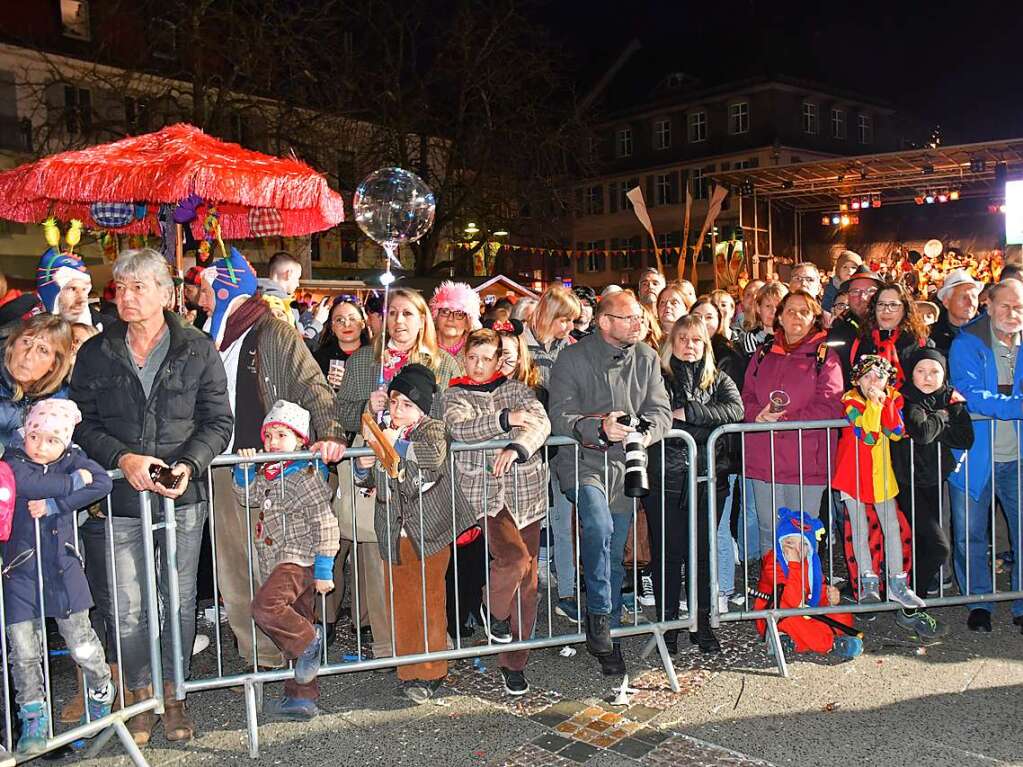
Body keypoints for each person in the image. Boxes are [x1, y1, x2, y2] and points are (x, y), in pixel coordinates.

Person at [71, 248, 234, 745]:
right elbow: (85, 423)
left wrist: (187, 465)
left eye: (140, 286)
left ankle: (175, 693)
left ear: (167, 294)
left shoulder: (198, 348)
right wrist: (123, 459)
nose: (128, 296)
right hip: (118, 499)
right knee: (127, 606)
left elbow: (217, 422)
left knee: (180, 600)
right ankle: (140, 697)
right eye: (121, 287)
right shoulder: (96, 352)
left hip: (181, 499)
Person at [201, 247, 345, 674]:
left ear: (226, 289)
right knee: (234, 566)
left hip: (275, 468)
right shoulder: (208, 338)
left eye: (207, 290)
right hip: (227, 466)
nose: (200, 299)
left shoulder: (274, 332)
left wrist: (332, 434)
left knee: (282, 564)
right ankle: (259, 656)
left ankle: (296, 648)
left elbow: (312, 385)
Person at [549, 290, 671, 675]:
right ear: (604, 322)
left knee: (616, 547)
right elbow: (560, 415)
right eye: (630, 318)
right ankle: (600, 623)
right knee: (598, 528)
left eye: (640, 317)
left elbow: (661, 411)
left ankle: (608, 626)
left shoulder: (648, 358)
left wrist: (642, 434)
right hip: (582, 461)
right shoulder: (572, 357)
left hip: (626, 465)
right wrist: (599, 427)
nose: (640, 324)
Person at [354, 364, 475, 703]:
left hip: (429, 531)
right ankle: (408, 669)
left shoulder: (431, 430)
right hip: (394, 531)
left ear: (421, 407)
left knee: (428, 601)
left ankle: (432, 669)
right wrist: (363, 468)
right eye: (394, 402)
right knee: (402, 601)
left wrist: (395, 447)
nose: (398, 410)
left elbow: (433, 457)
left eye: (407, 404)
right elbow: (374, 480)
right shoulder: (384, 431)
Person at [2, 399, 114, 754]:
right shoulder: (12, 460)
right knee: (23, 651)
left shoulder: (74, 458)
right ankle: (33, 719)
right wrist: (70, 485)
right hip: (19, 571)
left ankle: (100, 688)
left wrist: (58, 505)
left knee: (81, 641)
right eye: (35, 436)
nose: (41, 445)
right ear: (25, 434)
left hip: (63, 569)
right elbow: (26, 484)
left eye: (52, 440)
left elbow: (101, 483)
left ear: (65, 442)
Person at [443, 329, 551, 695]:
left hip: (528, 493)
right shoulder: (454, 394)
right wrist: (506, 420)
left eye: (487, 358)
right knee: (513, 559)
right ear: (464, 358)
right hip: (486, 495)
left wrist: (517, 446)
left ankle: (514, 662)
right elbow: (461, 429)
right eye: (473, 357)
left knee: (530, 586)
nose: (479, 365)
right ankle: (493, 610)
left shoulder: (519, 389)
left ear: (497, 359)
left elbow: (540, 422)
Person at [234, 401, 339, 720]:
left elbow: (325, 522)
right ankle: (302, 697)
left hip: (298, 560)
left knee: (266, 608)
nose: (272, 442)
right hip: (276, 560)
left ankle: (311, 640)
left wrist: (323, 568)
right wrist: (245, 469)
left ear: (300, 441)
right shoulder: (268, 472)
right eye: (269, 436)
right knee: (298, 619)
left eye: (282, 435)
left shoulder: (305, 475)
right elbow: (246, 497)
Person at [646, 315, 742, 654]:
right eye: (683, 338)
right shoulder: (656, 377)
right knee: (668, 555)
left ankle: (701, 623)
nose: (690, 345)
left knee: (702, 554)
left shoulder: (719, 379)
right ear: (672, 342)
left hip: (707, 480)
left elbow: (735, 411)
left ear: (706, 344)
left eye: (697, 339)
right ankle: (668, 625)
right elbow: (656, 419)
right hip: (665, 479)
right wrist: (698, 424)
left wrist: (689, 413)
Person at [742, 290, 844, 555]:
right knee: (768, 529)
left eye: (804, 311)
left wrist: (787, 420)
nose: (796, 316)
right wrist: (757, 415)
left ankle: (801, 593)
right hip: (766, 456)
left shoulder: (825, 357)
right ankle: (772, 589)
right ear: (780, 317)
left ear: (814, 319)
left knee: (801, 532)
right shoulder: (764, 352)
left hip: (806, 458)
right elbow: (746, 395)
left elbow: (831, 404)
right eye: (790, 310)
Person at [947, 278, 1023, 633]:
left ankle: (1021, 601)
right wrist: (1019, 406)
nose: (1013, 313)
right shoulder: (967, 344)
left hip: (1017, 459)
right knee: (969, 534)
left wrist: (1007, 406)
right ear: (988, 305)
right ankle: (978, 602)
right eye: (1005, 305)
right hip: (974, 457)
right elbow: (971, 395)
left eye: (1019, 306)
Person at [891, 348, 973, 640]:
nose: (928, 377)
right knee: (939, 547)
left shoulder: (952, 397)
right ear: (911, 373)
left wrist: (937, 419)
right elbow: (922, 432)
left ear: (943, 374)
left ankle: (911, 607)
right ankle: (910, 605)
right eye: (921, 371)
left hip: (936, 480)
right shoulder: (906, 397)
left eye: (934, 371)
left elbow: (966, 438)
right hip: (908, 481)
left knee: (925, 547)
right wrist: (942, 415)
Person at [831, 355, 922, 607]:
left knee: (891, 527)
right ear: (858, 379)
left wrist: (886, 403)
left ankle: (897, 583)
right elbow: (868, 435)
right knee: (859, 529)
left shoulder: (892, 398)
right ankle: (867, 582)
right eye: (867, 376)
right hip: (852, 473)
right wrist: (874, 404)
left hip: (881, 474)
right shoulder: (850, 401)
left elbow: (894, 432)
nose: (873, 382)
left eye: (879, 377)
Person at [336, 288, 461, 431]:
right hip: (370, 451)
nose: (398, 320)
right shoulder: (360, 360)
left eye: (407, 313)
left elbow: (455, 419)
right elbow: (340, 413)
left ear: (422, 320)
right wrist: (368, 408)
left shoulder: (444, 364)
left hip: (422, 450)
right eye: (393, 313)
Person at [751, 509, 861, 659]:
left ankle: (793, 642)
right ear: (780, 542)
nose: (796, 550)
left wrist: (831, 599)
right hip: (780, 612)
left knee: (842, 615)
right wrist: (794, 565)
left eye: (803, 544)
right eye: (790, 543)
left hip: (807, 610)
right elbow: (791, 600)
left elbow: (817, 591)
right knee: (792, 621)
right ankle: (830, 644)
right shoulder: (773, 562)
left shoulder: (811, 563)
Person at [0, 314, 74, 451]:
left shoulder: (61, 402)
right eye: (26, 342)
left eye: (43, 350)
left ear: (54, 363)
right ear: (12, 344)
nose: (28, 356)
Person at [849, 282, 931, 388]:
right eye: (881, 304)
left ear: (905, 309)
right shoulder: (860, 342)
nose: (886, 310)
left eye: (893, 305)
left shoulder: (920, 343)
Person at [258, 251, 328, 349]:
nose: (298, 284)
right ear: (289, 274)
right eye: (298, 278)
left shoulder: (260, 299)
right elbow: (294, 347)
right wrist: (318, 322)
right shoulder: (276, 305)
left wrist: (306, 316)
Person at [827, 265, 883, 387]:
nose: (863, 297)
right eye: (855, 291)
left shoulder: (894, 328)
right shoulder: (837, 331)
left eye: (870, 291)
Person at [35, 247, 110, 330]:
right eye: (73, 289)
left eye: (84, 290)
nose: (81, 299)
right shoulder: (25, 329)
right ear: (52, 292)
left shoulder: (108, 329)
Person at [313, 296, 369, 390]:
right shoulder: (319, 358)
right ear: (332, 327)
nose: (346, 324)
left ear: (362, 323)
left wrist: (351, 384)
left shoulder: (376, 358)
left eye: (352, 319)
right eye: (339, 320)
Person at [930, 268, 982, 356]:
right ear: (946, 302)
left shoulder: (987, 332)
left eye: (974, 297)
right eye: (963, 297)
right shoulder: (932, 335)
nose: (970, 303)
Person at [429, 280, 482, 364]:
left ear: (469, 321)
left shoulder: (478, 350)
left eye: (459, 314)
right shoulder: (423, 346)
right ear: (436, 316)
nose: (450, 318)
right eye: (445, 311)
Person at [740, 281, 787, 355]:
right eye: (768, 306)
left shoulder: (792, 337)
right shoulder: (752, 338)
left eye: (778, 307)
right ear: (758, 308)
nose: (773, 311)